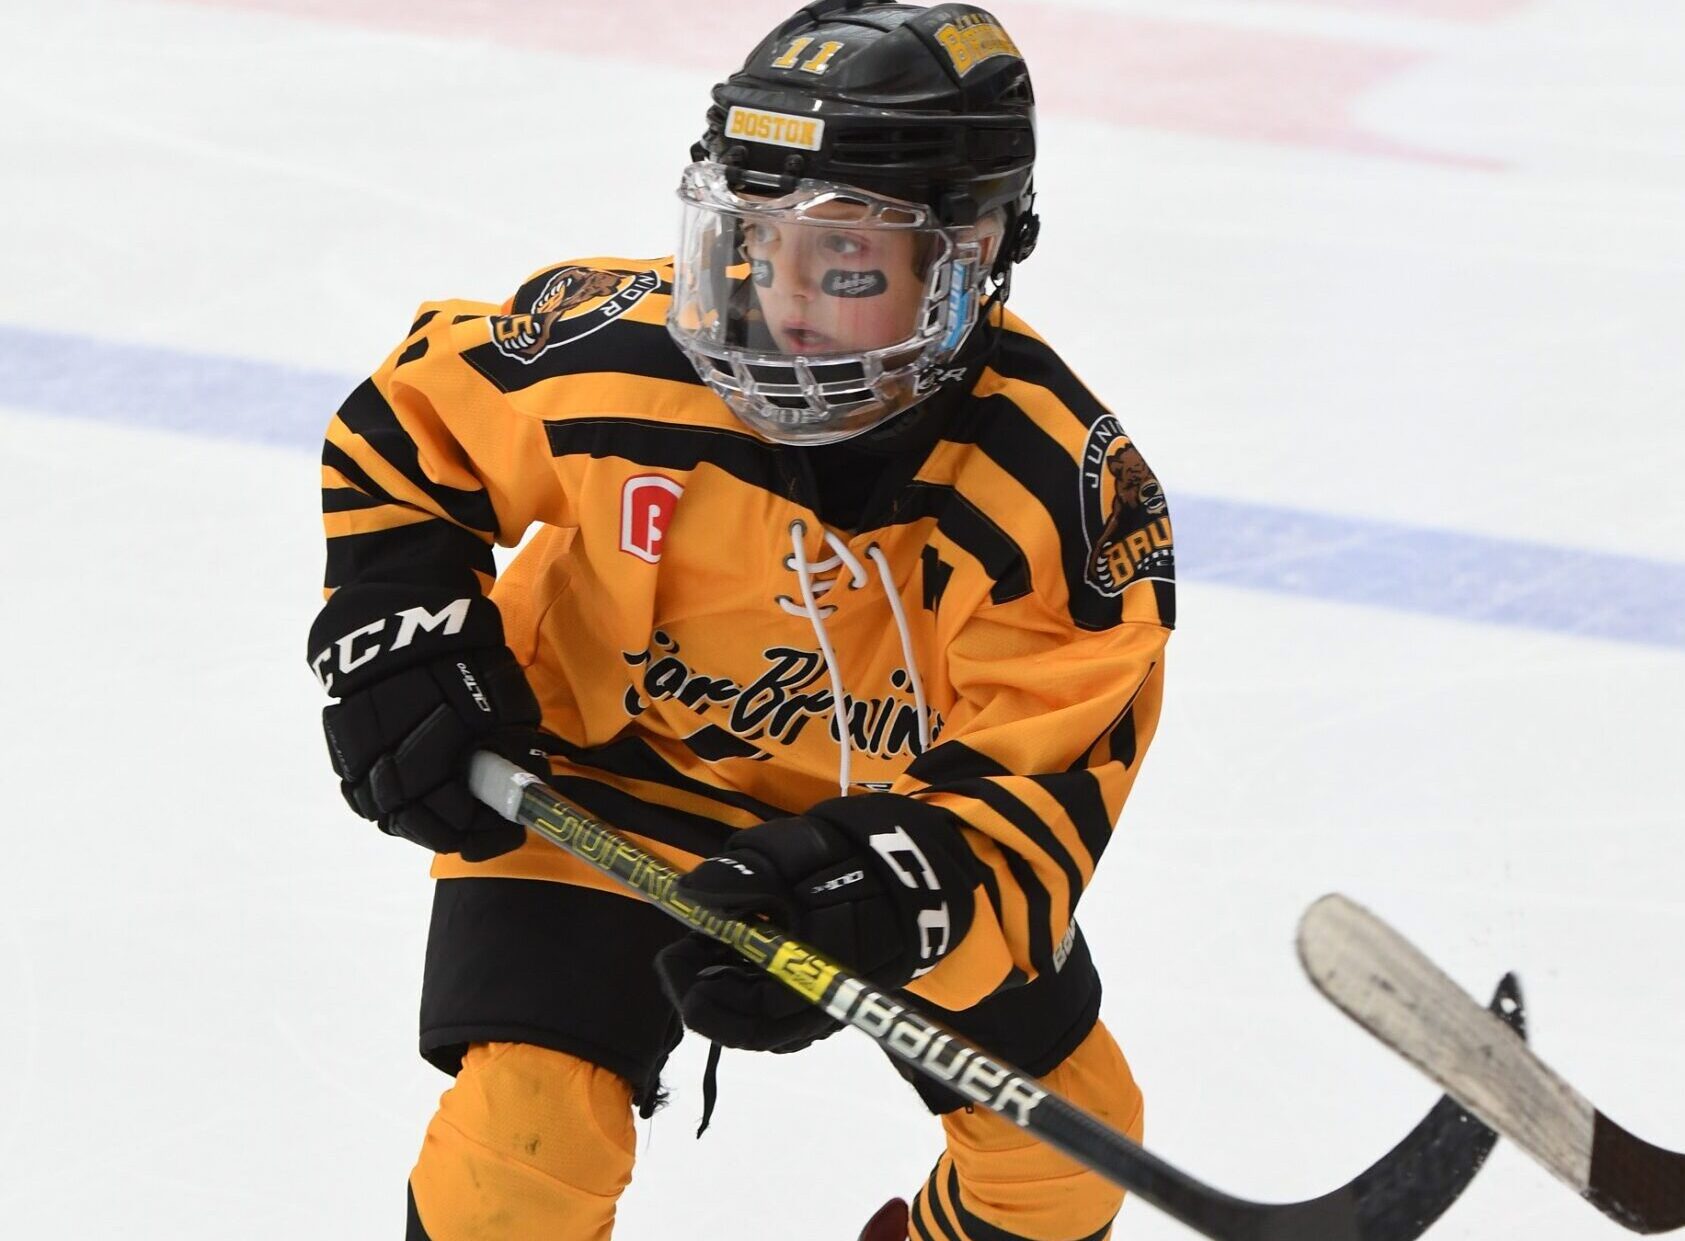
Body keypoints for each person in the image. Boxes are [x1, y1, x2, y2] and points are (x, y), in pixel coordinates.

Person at [306, 2, 1175, 1238]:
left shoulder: (1059, 490)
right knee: (516, 1157)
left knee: (1063, 1165)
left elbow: (1041, 791)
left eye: (850, 267)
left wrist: (896, 887)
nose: (787, 304)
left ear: (972, 253)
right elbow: (407, 426)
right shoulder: (617, 356)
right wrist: (401, 620)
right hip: (603, 778)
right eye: (753, 247)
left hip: (884, 830)